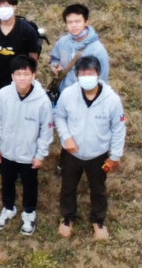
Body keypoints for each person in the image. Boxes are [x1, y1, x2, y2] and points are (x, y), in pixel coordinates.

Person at [54, 56, 126, 240]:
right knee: (68, 186)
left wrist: (115, 156)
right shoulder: (68, 94)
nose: (87, 77)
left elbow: (118, 128)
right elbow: (59, 117)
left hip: (98, 154)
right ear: (77, 75)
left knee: (98, 187)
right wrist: (66, 137)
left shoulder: (112, 100)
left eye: (90, 73)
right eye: (82, 73)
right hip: (71, 152)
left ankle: (98, 220)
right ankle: (68, 217)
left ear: (98, 74)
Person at [0, 55, 54, 236]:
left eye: (26, 74)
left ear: (33, 75)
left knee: (29, 183)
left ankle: (29, 212)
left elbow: (46, 130)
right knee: (7, 181)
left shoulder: (42, 101)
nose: (22, 78)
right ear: (12, 76)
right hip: (7, 151)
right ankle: (8, 208)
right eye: (18, 74)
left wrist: (41, 154)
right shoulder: (3, 94)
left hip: (29, 154)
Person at [49, 4, 110, 93]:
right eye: (69, 22)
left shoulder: (98, 50)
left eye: (77, 21)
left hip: (86, 95)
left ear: (86, 22)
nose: (73, 25)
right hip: (64, 92)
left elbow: (102, 78)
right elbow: (54, 59)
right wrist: (55, 66)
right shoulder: (63, 42)